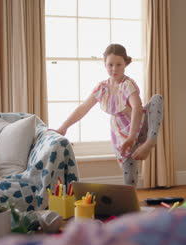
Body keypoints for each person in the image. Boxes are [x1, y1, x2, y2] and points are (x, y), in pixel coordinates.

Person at [53, 44, 163, 187]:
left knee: (157, 99)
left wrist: (132, 137)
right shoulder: (102, 88)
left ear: (125, 64)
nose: (114, 69)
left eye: (119, 64)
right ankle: (130, 206)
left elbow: (136, 108)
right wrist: (63, 127)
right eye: (110, 65)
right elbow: (83, 108)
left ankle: (150, 142)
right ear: (104, 64)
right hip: (120, 134)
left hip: (141, 127)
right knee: (129, 181)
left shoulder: (127, 84)